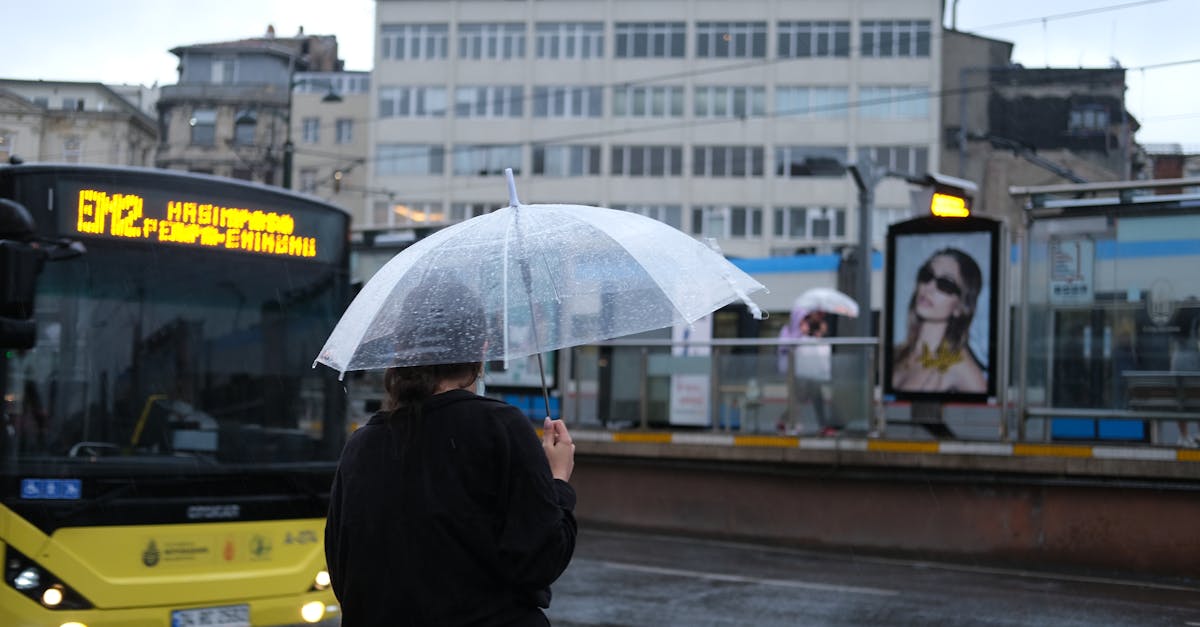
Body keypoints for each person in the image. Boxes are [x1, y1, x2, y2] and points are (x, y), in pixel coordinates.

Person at [325, 281, 578, 626]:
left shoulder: (361, 445)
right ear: (482, 350)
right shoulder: (501, 428)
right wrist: (558, 481)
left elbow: (344, 575)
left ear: (400, 351)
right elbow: (539, 560)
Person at [892, 248, 987, 394]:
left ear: (960, 307)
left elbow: (987, 413)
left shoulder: (961, 366)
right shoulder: (898, 352)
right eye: (927, 275)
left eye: (945, 284)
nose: (928, 287)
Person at [778, 308, 836, 435]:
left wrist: (819, 334)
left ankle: (821, 425)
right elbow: (784, 347)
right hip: (792, 371)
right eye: (803, 318)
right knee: (799, 398)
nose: (805, 321)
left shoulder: (810, 330)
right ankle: (789, 422)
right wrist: (800, 334)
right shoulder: (788, 330)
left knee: (814, 396)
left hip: (808, 370)